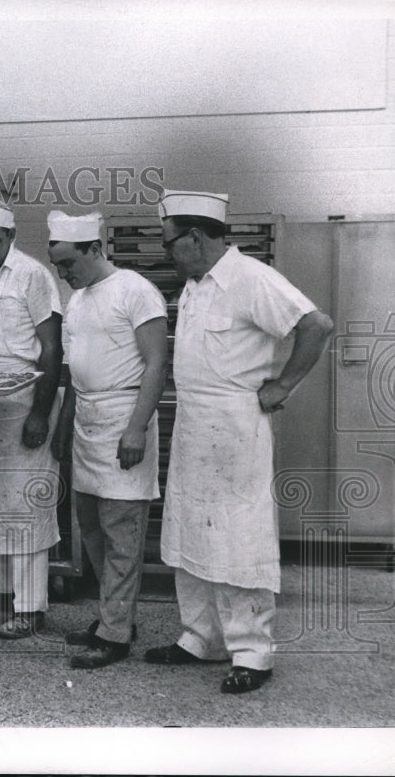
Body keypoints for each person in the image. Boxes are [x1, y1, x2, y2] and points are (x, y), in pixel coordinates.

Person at [145, 190, 333, 693]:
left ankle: (253, 652)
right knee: (191, 534)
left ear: (195, 237)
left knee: (237, 537)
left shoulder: (251, 279)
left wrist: (283, 385)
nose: (167, 254)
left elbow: (316, 325)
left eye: (169, 245)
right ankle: (198, 637)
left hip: (234, 428)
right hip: (193, 428)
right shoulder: (194, 285)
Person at [47, 210, 168, 670]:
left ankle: (115, 635)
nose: (63, 273)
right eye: (57, 266)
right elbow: (77, 376)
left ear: (94, 249)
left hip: (124, 420)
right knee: (92, 528)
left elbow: (157, 364)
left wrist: (136, 427)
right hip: (85, 421)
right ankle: (113, 618)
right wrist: (63, 432)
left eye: (67, 263)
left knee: (122, 532)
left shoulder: (136, 290)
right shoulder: (77, 300)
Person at [0, 192, 63, 639]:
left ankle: (31, 606)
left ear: (12, 236)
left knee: (25, 506)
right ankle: (3, 593)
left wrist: (40, 413)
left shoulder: (33, 276)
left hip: (24, 407)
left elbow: (52, 349)